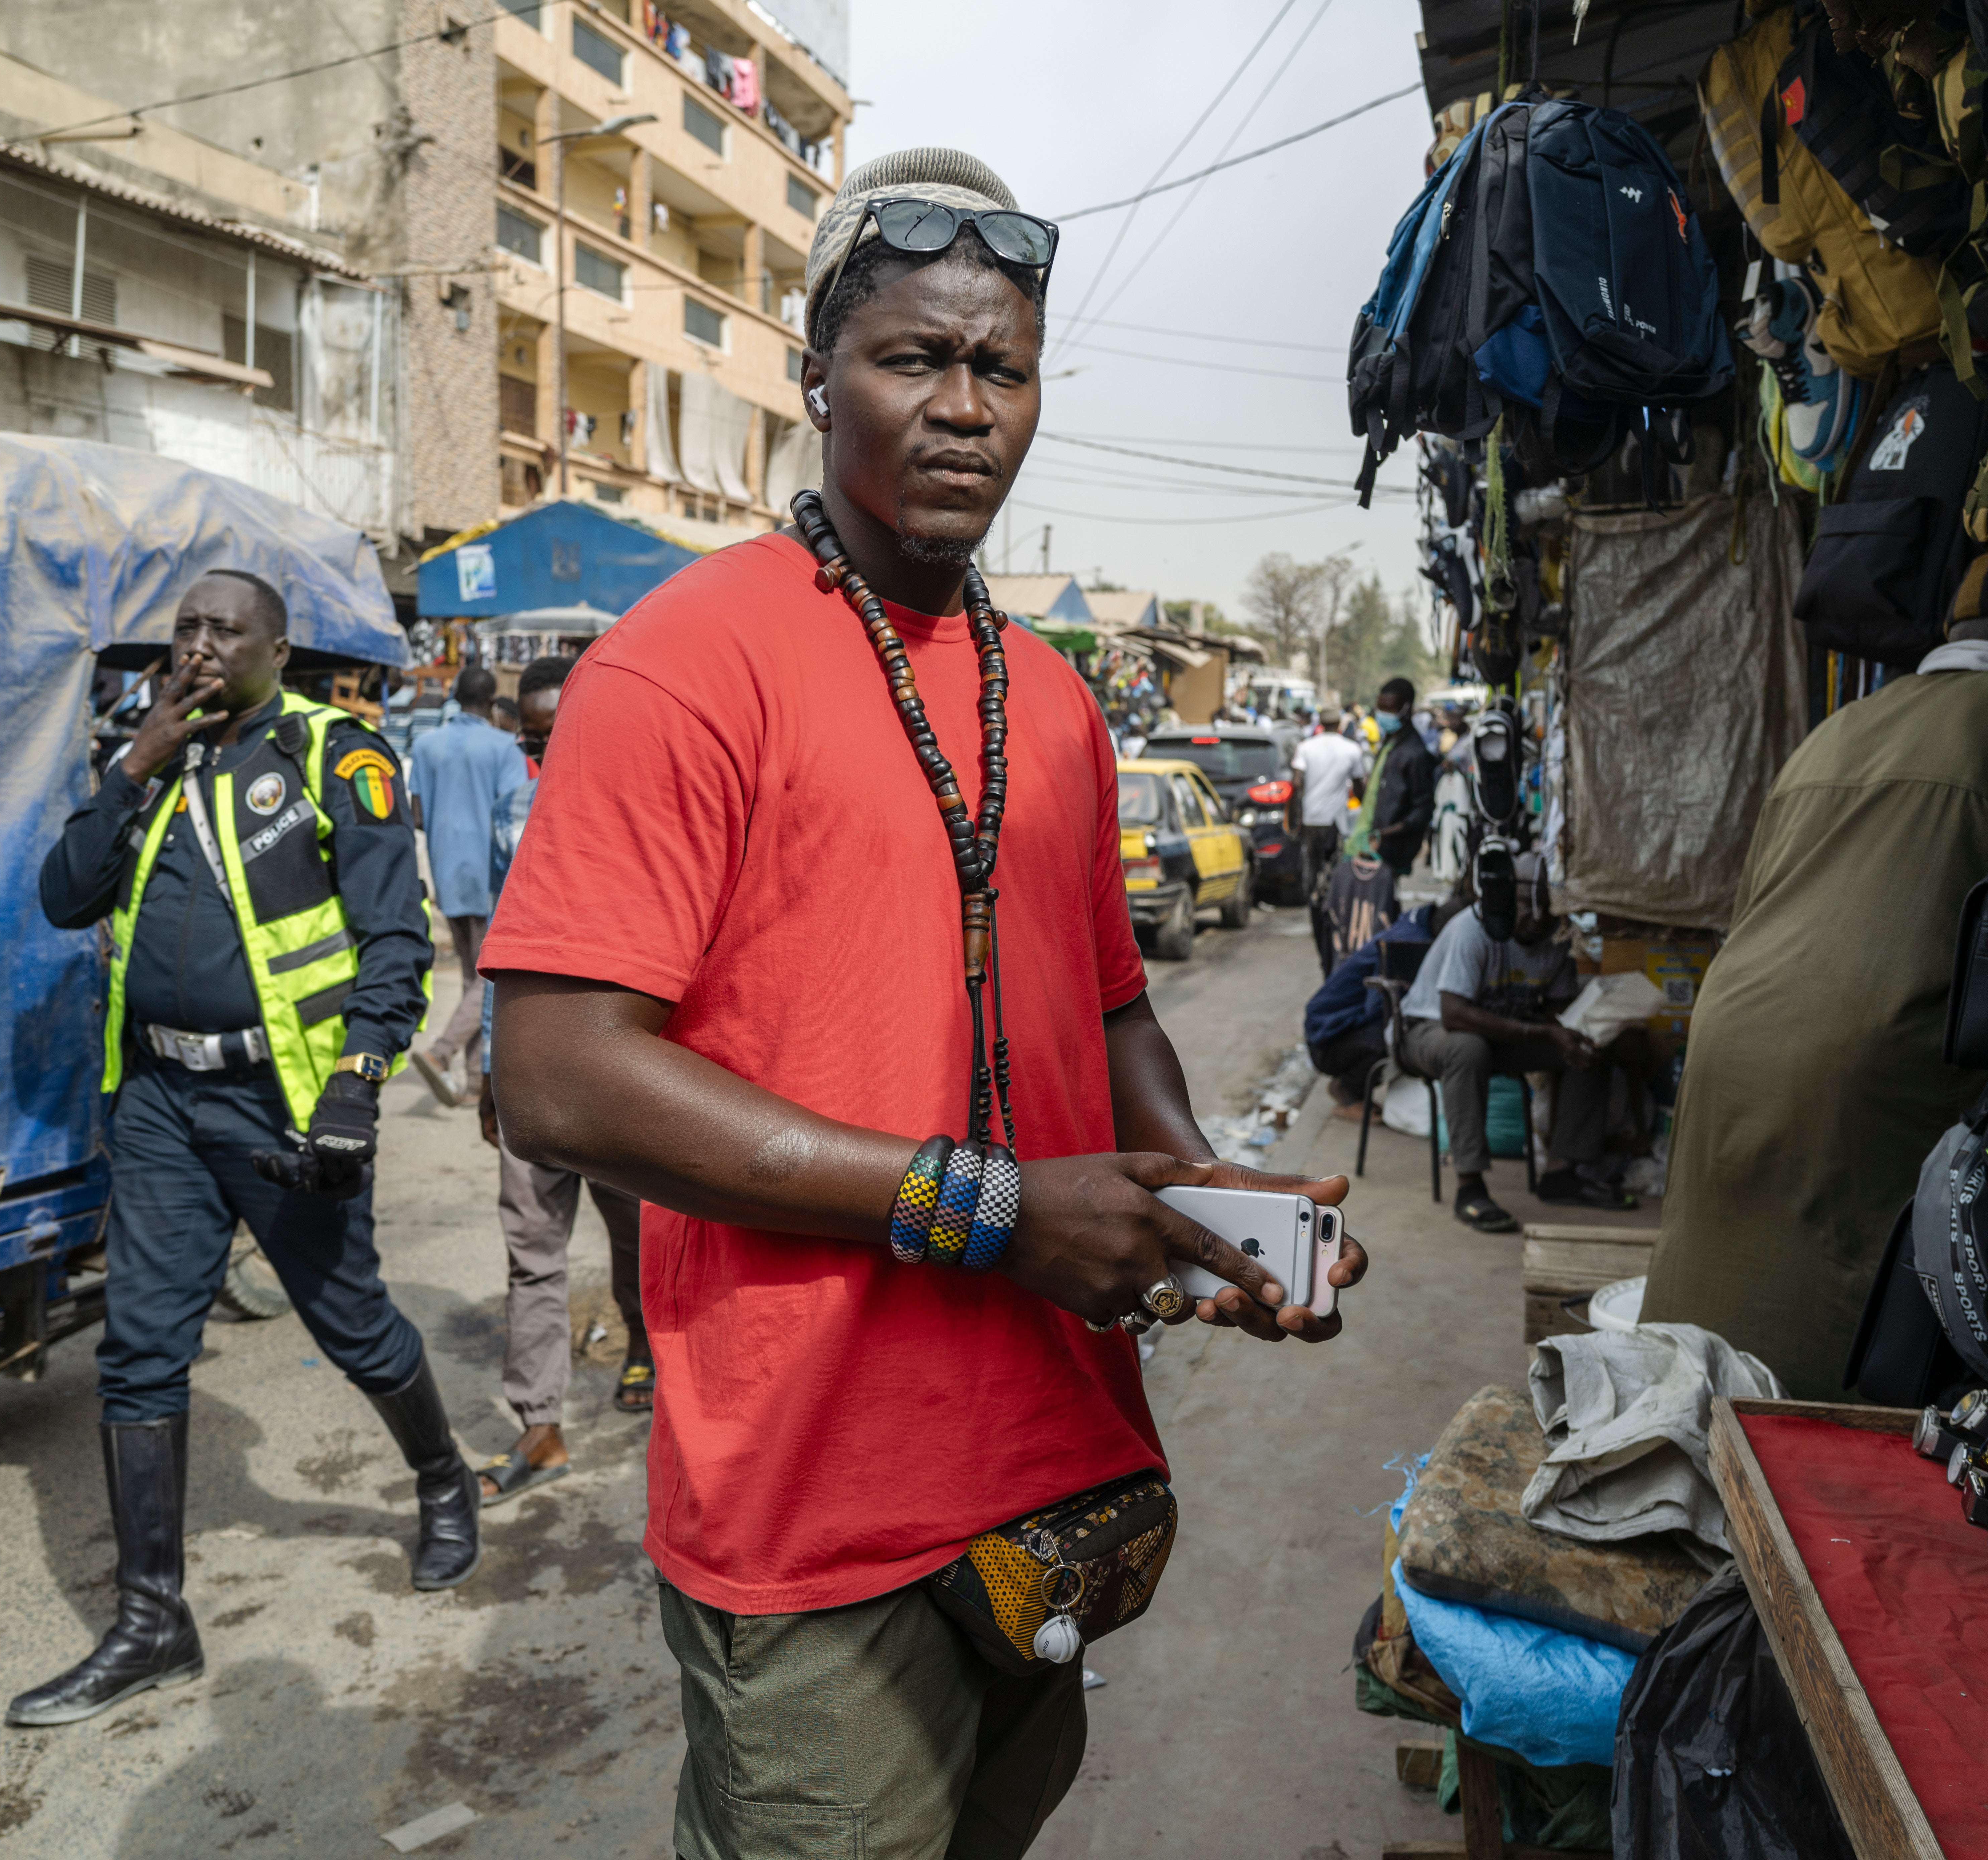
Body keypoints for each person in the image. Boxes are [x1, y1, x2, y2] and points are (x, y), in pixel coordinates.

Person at [480, 146, 1364, 1858]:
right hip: (815, 1516)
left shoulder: (1052, 698)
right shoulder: (682, 662)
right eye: (911, 360)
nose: (962, 408)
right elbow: (559, 1078)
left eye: (1001, 369)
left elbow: (1106, 1012)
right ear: (816, 374)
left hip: (1054, 1467)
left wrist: (1201, 1196)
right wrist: (982, 1208)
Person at [21, 569, 480, 1728]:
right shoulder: (151, 760)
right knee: (136, 1352)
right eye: (184, 628)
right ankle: (150, 1621)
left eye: (224, 629)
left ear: (277, 646)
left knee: (351, 1323)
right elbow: (64, 899)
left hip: (279, 1106)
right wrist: (134, 762)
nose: (199, 645)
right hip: (162, 1100)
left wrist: (356, 1087)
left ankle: (441, 1478)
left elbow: (392, 941)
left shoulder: (336, 755)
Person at [1640, 621, 1988, 1396]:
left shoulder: (1840, 727)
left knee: (1715, 1266)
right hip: (1873, 1043)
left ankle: (1672, 1439)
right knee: (1840, 1294)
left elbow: (1753, 897)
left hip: (1736, 1019)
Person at [475, 653, 653, 1507]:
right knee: (532, 1254)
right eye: (532, 736)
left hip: (619, 1078)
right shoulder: (514, 806)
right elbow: (497, 953)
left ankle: (646, 1349)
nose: (544, 752)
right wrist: (488, 1067)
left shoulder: (642, 802)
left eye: (559, 732)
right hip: (529, 1076)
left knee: (641, 1239)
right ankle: (539, 1424)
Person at [1396, 853, 1636, 1232]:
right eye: (1527, 906)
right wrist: (1540, 1032)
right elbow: (1453, 1014)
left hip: (1499, 1034)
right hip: (1428, 1029)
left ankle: (1562, 1173)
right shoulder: (1471, 931)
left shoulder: (1554, 938)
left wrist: (1576, 1027)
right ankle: (1470, 1186)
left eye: (1547, 909)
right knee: (1467, 1048)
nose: (1538, 917)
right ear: (1505, 900)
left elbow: (1558, 1011)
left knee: (1586, 1047)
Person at [408, 662, 528, 1106]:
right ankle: (443, 1053)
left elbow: (418, 815)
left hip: (445, 869)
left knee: (470, 972)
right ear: (494, 702)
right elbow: (515, 820)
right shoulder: (504, 748)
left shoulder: (426, 746)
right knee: (489, 976)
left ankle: (480, 1082)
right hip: (492, 874)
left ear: (456, 696)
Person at [1354, 677, 1437, 876]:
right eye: (1380, 709)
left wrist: (1387, 833)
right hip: (1372, 844)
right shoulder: (1391, 743)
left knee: (1384, 901)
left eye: (1389, 710)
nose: (1383, 716)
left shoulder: (1415, 753)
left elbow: (1423, 809)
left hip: (1392, 849)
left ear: (1407, 710)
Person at [1290, 707, 1366, 896]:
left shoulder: (1306, 747)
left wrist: (1295, 815)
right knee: (1337, 863)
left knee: (1313, 864)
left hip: (1312, 817)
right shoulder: (1352, 749)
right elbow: (1358, 786)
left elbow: (1297, 783)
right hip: (1337, 820)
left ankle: (1315, 895)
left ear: (1320, 725)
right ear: (1340, 724)